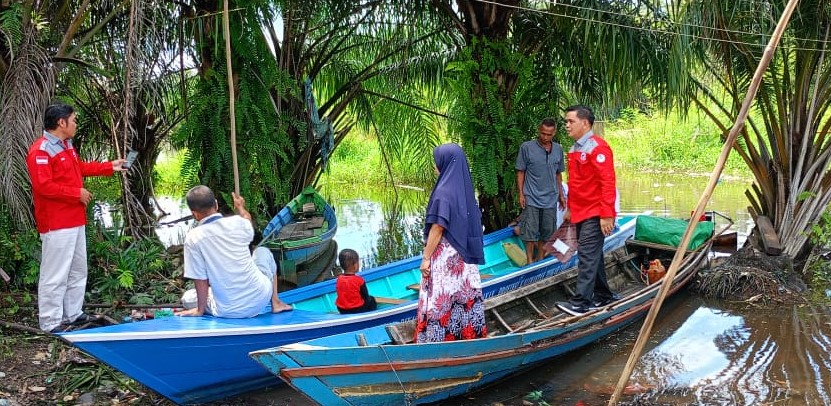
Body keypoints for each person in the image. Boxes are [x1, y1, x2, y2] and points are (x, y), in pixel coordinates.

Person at [27, 102, 127, 333]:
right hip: (57, 223)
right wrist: (76, 193)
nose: (76, 124)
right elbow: (43, 186)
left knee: (77, 270)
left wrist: (109, 166)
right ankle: (51, 322)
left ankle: (73, 314)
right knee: (55, 273)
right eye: (73, 120)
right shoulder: (40, 151)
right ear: (61, 123)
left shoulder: (65, 145)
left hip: (75, 219)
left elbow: (78, 168)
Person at [176, 186, 293, 318]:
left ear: (194, 214)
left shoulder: (193, 238)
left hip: (227, 311)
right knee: (263, 252)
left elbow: (200, 279)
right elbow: (247, 219)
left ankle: (203, 306)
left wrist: (199, 310)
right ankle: (276, 303)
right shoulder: (238, 222)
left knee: (187, 298)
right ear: (216, 204)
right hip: (260, 297)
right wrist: (240, 207)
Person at [416, 143, 487, 343]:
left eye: (436, 161)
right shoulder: (463, 190)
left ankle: (439, 341)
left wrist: (426, 258)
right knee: (461, 296)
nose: (434, 166)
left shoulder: (443, 192)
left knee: (442, 297)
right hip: (462, 258)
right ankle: (465, 336)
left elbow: (438, 228)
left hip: (446, 258)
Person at [556, 105, 619, 316]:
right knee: (593, 255)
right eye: (566, 121)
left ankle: (580, 303)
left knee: (586, 255)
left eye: (570, 121)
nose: (566, 125)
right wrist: (570, 209)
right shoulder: (575, 149)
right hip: (581, 212)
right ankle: (603, 296)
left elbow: (607, 182)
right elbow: (575, 184)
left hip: (596, 212)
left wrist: (607, 215)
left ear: (585, 123)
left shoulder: (597, 147)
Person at [516, 118, 567, 264]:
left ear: (554, 133)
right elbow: (520, 172)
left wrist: (561, 195)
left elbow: (558, 173)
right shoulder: (526, 147)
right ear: (539, 130)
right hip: (531, 196)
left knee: (548, 231)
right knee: (530, 232)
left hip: (550, 197)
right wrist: (521, 193)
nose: (545, 137)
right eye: (543, 133)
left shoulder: (558, 149)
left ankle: (539, 259)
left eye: (549, 134)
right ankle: (530, 261)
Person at [334, 249, 377, 314]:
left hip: (342, 309)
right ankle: (372, 314)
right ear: (355, 265)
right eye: (358, 262)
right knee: (371, 299)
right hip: (357, 309)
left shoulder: (339, 279)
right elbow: (365, 297)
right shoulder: (359, 280)